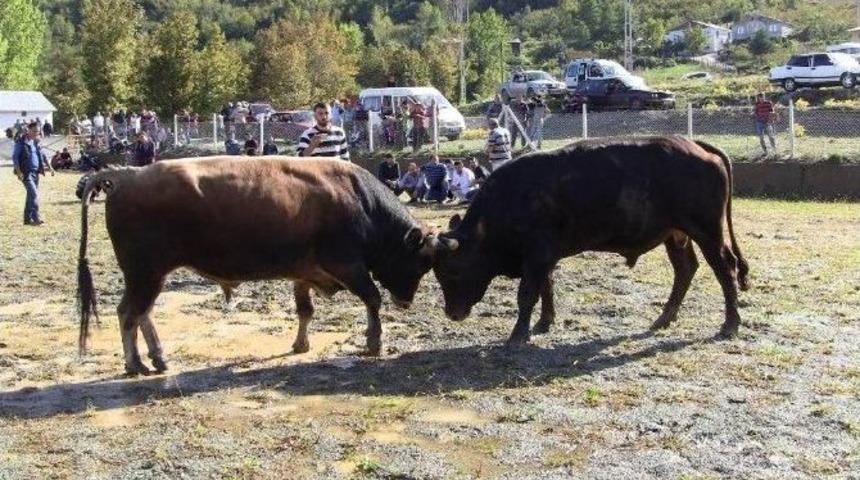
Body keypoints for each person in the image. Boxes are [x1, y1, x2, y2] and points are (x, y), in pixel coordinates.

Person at [12, 121, 54, 226]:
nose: (36, 133)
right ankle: (36, 218)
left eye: (38, 132)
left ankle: (27, 220)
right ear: (28, 130)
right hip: (25, 173)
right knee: (34, 194)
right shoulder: (20, 142)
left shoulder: (35, 142)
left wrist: (50, 167)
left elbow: (43, 155)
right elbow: (15, 157)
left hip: (36, 173)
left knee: (30, 195)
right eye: (34, 131)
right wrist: (18, 172)